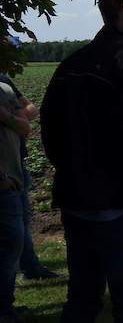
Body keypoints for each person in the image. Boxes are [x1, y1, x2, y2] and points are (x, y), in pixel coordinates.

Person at [40, 0, 123, 323]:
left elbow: (49, 129)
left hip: (76, 197)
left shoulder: (72, 63)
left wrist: (72, 170)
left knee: (81, 299)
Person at [0, 61, 58, 280]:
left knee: (22, 218)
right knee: (12, 228)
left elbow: (31, 111)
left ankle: (29, 266)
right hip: (4, 168)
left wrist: (10, 118)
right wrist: (15, 118)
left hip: (17, 161)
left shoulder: (4, 83)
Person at [0, 76, 29, 323]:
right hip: (3, 180)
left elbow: (26, 125)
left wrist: (7, 117)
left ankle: (5, 306)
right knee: (9, 245)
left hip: (12, 176)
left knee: (12, 245)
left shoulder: (5, 85)